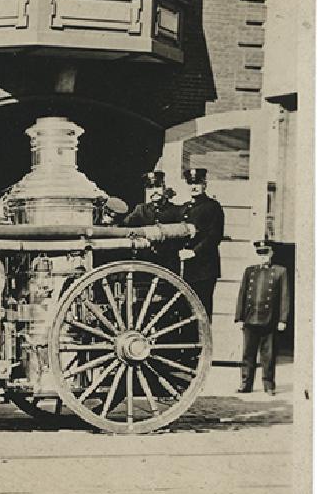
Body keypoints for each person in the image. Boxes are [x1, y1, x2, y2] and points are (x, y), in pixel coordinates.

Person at [235, 240, 290, 395]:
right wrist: (239, 317)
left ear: (271, 253)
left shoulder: (280, 271)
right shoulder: (250, 271)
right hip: (250, 318)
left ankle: (269, 385)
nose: (263, 256)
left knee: (269, 354)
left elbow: (285, 297)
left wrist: (282, 319)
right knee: (248, 354)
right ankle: (246, 384)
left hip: (269, 320)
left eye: (265, 252)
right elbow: (242, 295)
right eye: (260, 253)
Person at [179, 168, 225, 318]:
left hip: (204, 268)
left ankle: (203, 341)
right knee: (185, 311)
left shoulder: (213, 207)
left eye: (197, 183)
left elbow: (214, 236)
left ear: (205, 184)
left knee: (201, 311)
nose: (193, 186)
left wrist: (194, 252)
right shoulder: (185, 207)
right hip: (186, 268)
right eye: (190, 183)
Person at [120, 170, 183, 274]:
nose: (154, 191)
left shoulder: (176, 211)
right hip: (145, 263)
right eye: (150, 188)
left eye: (157, 187)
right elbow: (123, 227)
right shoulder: (140, 209)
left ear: (164, 188)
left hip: (168, 264)